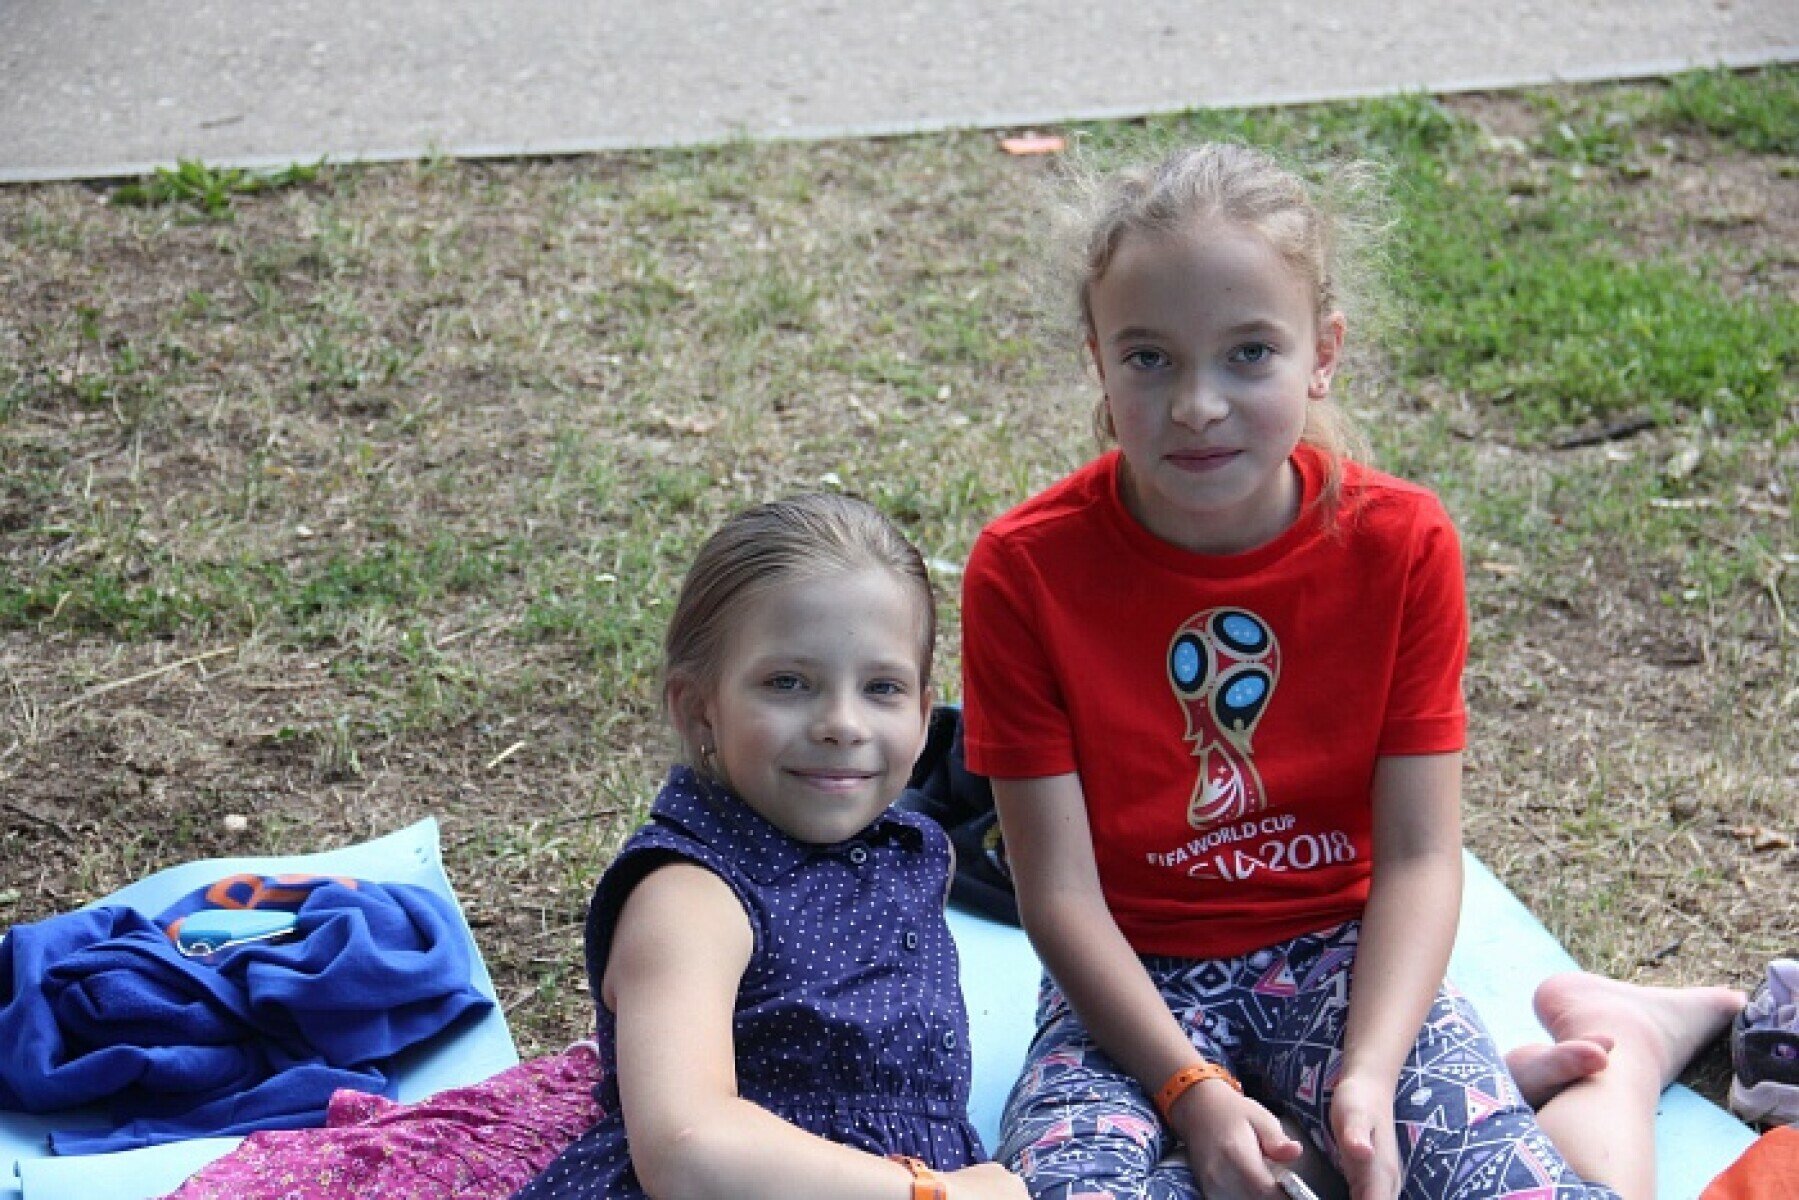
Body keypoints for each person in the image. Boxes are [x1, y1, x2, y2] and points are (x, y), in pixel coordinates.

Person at [958, 143, 1744, 1200]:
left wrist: (1368, 1077)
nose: (1197, 404)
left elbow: (1420, 855)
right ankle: (1323, 1126)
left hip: (1345, 968)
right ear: (1097, 358)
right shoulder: (1023, 569)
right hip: (1124, 990)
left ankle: (1616, 1050)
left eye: (1248, 352)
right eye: (1148, 358)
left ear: (1321, 353)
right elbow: (1056, 894)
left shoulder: (1400, 544)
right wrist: (1188, 1089)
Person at [518, 494, 1026, 1200]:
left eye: (881, 687)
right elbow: (687, 1146)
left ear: (922, 711)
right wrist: (932, 1192)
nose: (841, 723)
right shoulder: (691, 893)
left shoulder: (910, 855)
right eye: (788, 683)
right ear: (699, 708)